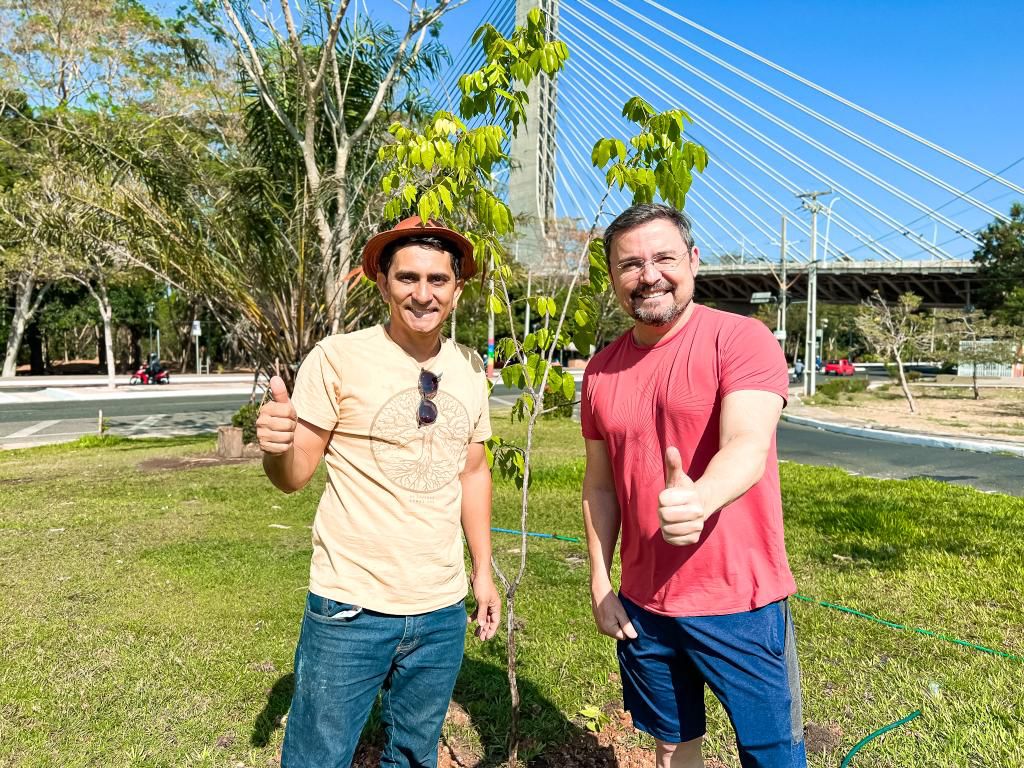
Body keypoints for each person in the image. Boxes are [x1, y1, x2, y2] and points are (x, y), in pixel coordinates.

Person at [256, 216, 501, 768]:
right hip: (351, 606)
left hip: (440, 608)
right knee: (318, 757)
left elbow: (474, 471)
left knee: (415, 756)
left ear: (457, 290)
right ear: (383, 283)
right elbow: (294, 476)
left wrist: (482, 570)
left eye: (438, 280)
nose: (423, 293)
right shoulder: (338, 358)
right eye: (407, 277)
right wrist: (276, 446)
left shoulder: (467, 368)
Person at [580, 203, 806, 768]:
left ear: (694, 261)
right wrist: (599, 582)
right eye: (630, 264)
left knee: (773, 752)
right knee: (673, 743)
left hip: (740, 600)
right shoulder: (601, 370)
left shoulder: (741, 339)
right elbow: (600, 488)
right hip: (642, 604)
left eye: (663, 258)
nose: (649, 275)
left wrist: (698, 499)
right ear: (611, 277)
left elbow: (748, 445)